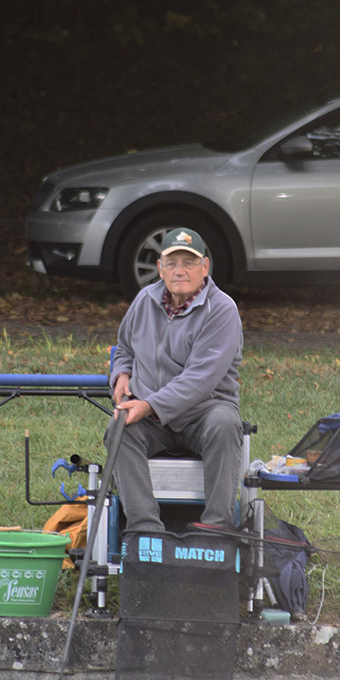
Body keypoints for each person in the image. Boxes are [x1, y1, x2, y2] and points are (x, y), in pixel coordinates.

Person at [105, 227, 243, 533]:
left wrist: (149, 405)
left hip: (203, 412)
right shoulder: (144, 300)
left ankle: (216, 529)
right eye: (171, 263)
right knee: (118, 428)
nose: (179, 270)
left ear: (205, 267)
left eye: (189, 262)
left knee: (225, 423)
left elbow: (201, 378)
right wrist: (122, 374)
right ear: (160, 268)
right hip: (151, 417)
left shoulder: (222, 309)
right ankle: (145, 530)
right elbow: (125, 346)